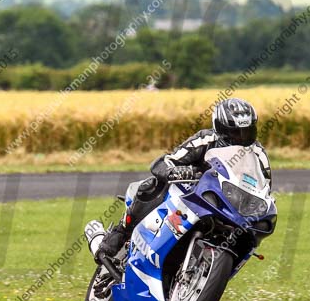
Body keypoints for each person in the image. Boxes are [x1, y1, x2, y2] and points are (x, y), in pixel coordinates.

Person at [95, 98, 271, 260]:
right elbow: (166, 161)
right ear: (220, 128)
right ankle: (120, 233)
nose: (240, 139)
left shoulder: (258, 154)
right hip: (194, 193)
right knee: (151, 185)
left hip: (229, 205)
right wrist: (176, 172)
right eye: (235, 133)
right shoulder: (205, 139)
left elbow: (265, 187)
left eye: (246, 132)